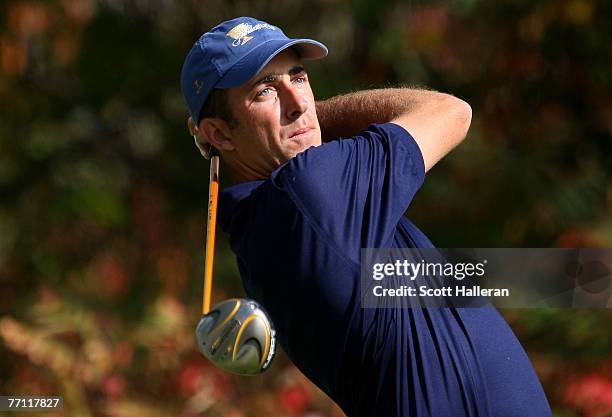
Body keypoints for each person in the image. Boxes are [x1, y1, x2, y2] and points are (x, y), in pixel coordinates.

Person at [181, 16, 552, 417]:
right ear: (218, 135)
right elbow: (450, 111)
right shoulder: (310, 191)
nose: (298, 102)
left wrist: (573, 276)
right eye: (265, 91)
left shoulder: (268, 231)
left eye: (299, 78)